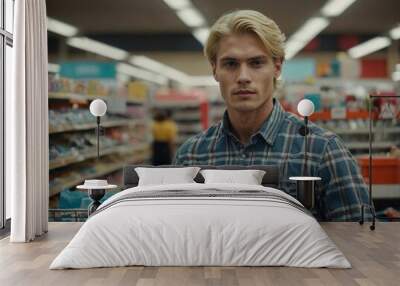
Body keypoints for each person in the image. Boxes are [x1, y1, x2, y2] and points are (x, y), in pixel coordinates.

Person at [173, 9, 371, 221]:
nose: (243, 77)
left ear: (277, 67)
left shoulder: (322, 151)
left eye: (256, 63)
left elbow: (359, 241)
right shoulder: (191, 157)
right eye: (230, 64)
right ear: (215, 69)